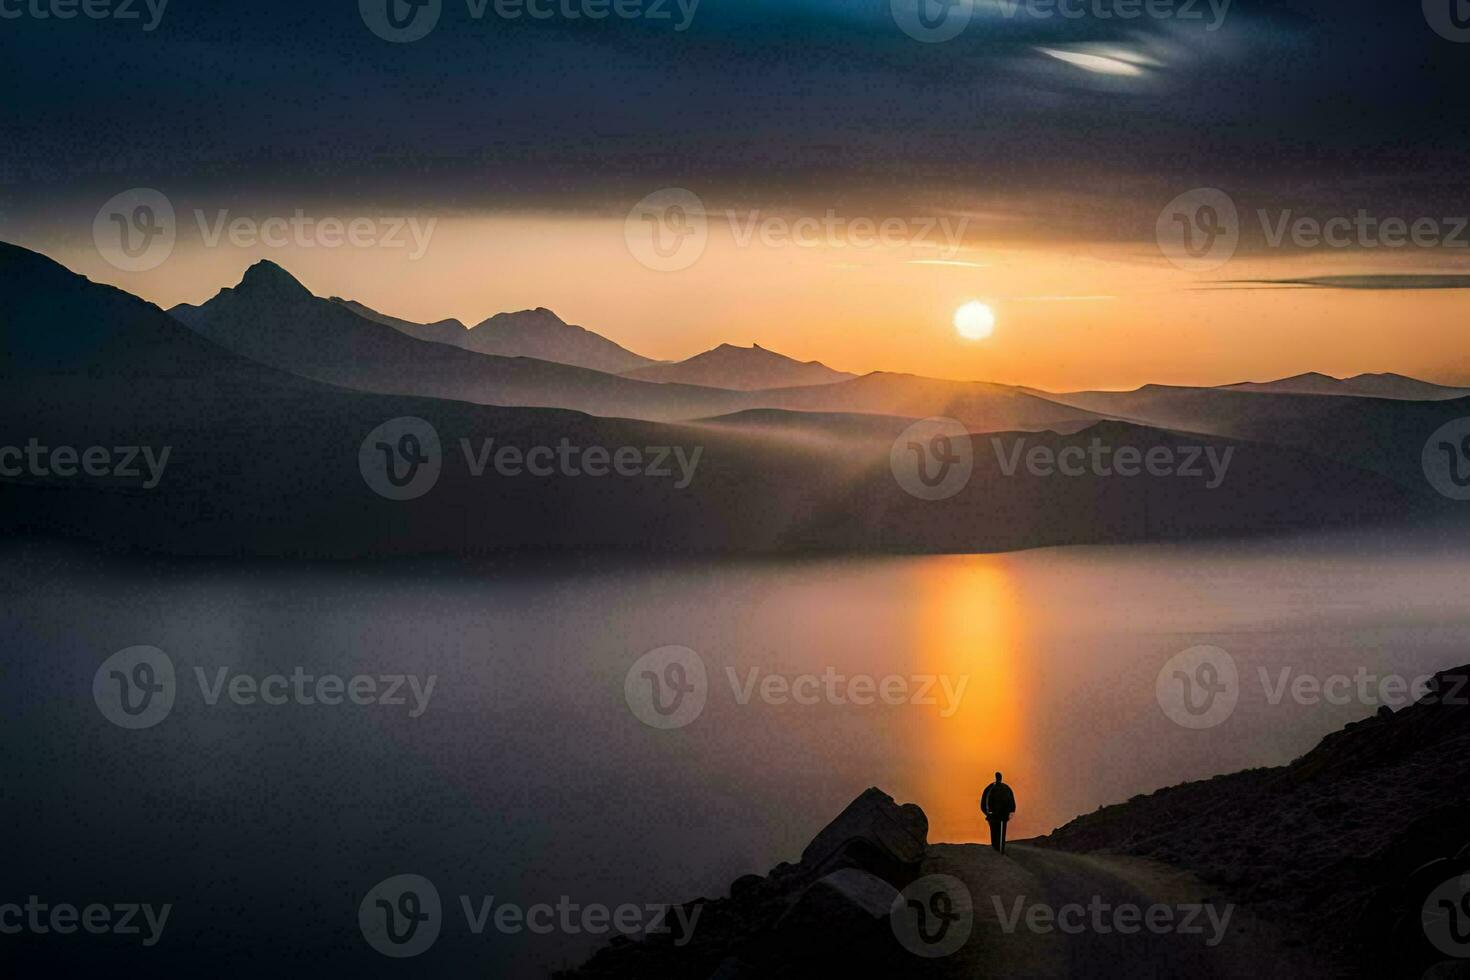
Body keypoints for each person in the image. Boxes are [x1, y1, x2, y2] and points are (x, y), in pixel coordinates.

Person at [980, 772, 1016, 854]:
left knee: (997, 833)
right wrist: (987, 813)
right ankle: (997, 850)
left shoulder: (994, 788)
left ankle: (998, 850)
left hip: (998, 815)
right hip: (996, 815)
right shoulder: (1001, 788)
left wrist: (987, 813)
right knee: (996, 833)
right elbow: (1012, 803)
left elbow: (983, 802)